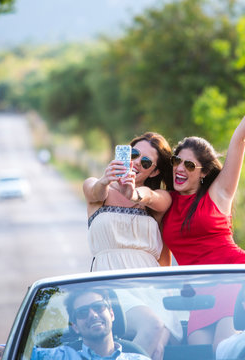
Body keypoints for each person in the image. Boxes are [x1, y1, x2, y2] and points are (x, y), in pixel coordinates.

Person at [150, 51, 245, 350]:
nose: (180, 169)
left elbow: (240, 139)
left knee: (224, 344)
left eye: (189, 165)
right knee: (198, 347)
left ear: (203, 173)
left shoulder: (218, 193)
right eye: (176, 161)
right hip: (202, 295)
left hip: (237, 277)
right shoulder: (167, 202)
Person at [82, 132, 180, 360]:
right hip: (111, 281)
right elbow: (94, 190)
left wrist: (135, 193)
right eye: (133, 154)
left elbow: (151, 197)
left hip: (151, 285)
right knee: (153, 327)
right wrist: (107, 179)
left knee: (157, 349)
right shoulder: (97, 189)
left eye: (145, 162)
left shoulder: (158, 197)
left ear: (154, 171)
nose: (136, 163)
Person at [31, 288, 151, 360]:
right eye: (82, 312)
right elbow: (22, 352)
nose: (93, 315)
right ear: (75, 326)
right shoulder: (59, 357)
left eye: (98, 307)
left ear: (112, 314)